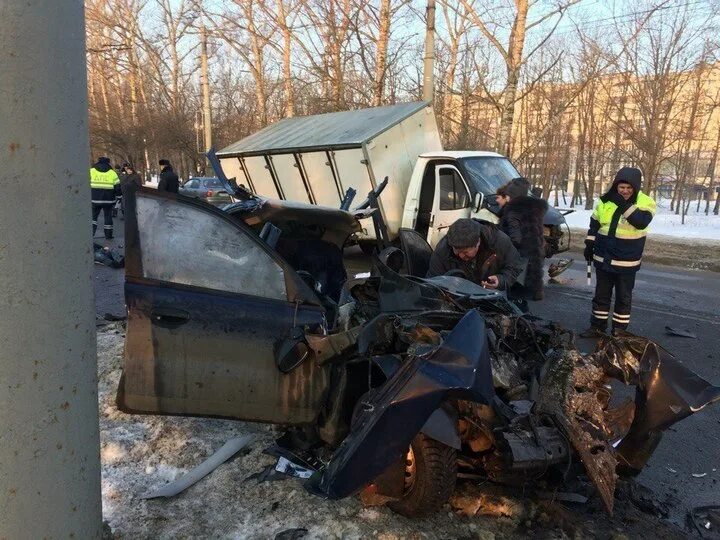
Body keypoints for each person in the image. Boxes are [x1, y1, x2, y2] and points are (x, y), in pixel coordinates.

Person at [581, 167, 656, 337]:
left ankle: (619, 331)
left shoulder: (646, 201)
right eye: (622, 187)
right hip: (603, 257)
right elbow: (595, 225)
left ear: (636, 187)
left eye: (629, 188)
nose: (625, 191)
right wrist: (589, 245)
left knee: (623, 298)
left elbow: (641, 222)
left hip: (626, 260)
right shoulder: (605, 200)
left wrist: (623, 205)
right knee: (601, 295)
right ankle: (597, 327)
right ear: (616, 185)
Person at [427, 218, 524, 291]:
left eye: (465, 252)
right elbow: (432, 281)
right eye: (456, 250)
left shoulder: (499, 241)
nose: (460, 256)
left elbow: (515, 266)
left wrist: (501, 280)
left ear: (478, 242)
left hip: (491, 298)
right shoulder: (443, 249)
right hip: (456, 299)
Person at [498, 179, 548, 308]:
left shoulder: (513, 211)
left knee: (514, 302)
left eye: (508, 196)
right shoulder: (533, 210)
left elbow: (515, 239)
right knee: (522, 301)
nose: (506, 199)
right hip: (533, 260)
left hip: (518, 263)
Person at [90, 156, 121, 239]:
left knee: (93, 217)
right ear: (108, 163)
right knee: (108, 216)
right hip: (109, 200)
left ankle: (91, 234)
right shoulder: (112, 173)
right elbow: (117, 187)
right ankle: (108, 235)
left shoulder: (91, 171)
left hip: (94, 199)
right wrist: (119, 197)